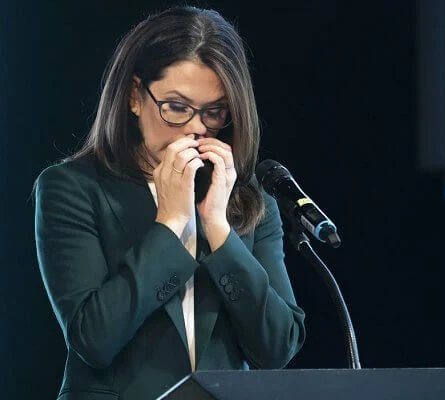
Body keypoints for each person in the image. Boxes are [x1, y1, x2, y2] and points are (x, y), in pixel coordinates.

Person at [34, 6, 306, 400]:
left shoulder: (246, 197)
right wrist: (171, 222)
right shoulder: (73, 187)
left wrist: (217, 228)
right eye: (176, 107)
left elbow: (277, 347)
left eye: (213, 112)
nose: (197, 127)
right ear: (133, 96)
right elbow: (93, 338)